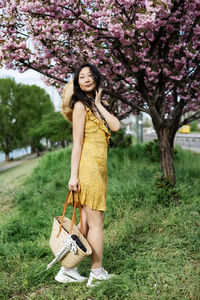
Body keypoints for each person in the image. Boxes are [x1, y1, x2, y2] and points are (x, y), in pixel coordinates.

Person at [55, 63, 120, 287]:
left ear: (97, 80)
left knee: (84, 223)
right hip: (88, 169)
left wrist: (100, 103)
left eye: (91, 75)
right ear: (77, 83)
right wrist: (73, 176)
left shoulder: (94, 105)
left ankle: (67, 269)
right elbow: (77, 144)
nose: (87, 79)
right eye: (82, 77)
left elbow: (116, 126)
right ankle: (97, 272)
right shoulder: (81, 106)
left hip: (98, 169)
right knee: (96, 223)